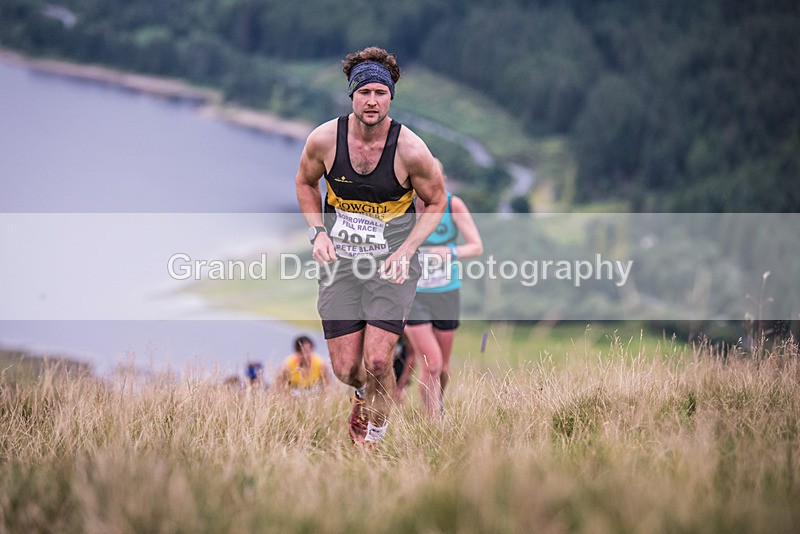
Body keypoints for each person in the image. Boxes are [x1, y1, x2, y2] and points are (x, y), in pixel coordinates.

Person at [295, 46, 447, 446]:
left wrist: (407, 250)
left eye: (381, 93)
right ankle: (363, 398)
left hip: (391, 265)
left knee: (378, 359)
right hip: (340, 263)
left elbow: (436, 202)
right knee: (348, 369)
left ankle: (374, 440)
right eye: (365, 92)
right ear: (352, 95)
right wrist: (318, 233)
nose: (372, 101)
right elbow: (305, 183)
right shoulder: (325, 140)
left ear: (391, 97)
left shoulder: (411, 150)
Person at [402, 160, 483, 416]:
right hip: (414, 296)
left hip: (447, 293)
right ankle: (433, 422)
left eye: (437, 178)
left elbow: (476, 246)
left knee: (443, 367)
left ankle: (438, 405)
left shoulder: (453, 205)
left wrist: (449, 252)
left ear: (443, 179)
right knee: (432, 363)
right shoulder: (405, 206)